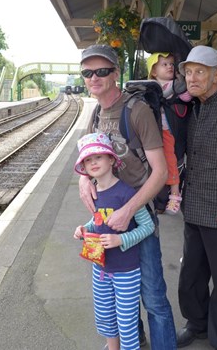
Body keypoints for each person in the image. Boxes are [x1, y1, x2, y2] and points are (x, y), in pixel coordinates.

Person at [78, 44, 177, 350]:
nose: (95, 77)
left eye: (102, 71)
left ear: (116, 74)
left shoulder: (137, 111)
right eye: (88, 72)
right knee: (117, 289)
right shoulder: (96, 111)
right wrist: (84, 178)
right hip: (104, 218)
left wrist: (127, 211)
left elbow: (159, 172)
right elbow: (91, 155)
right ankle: (133, 342)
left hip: (137, 215)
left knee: (152, 293)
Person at [74, 132, 155, 350]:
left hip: (125, 271)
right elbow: (98, 219)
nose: (93, 163)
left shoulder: (126, 193)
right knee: (105, 315)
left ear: (111, 160)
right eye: (88, 160)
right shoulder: (94, 192)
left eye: (98, 157)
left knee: (126, 321)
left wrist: (121, 239)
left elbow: (148, 227)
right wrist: (85, 228)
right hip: (99, 268)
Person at [176, 45, 217, 350]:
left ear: (216, 76)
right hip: (193, 203)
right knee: (192, 273)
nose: (191, 78)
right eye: (188, 72)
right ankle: (196, 324)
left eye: (199, 72)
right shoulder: (191, 106)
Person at [147, 52, 192, 215]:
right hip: (153, 131)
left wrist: (183, 85)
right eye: (164, 64)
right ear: (153, 71)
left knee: (171, 161)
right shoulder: (150, 87)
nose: (169, 67)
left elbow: (187, 97)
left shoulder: (176, 84)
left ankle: (174, 193)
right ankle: (159, 197)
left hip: (168, 131)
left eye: (171, 64)